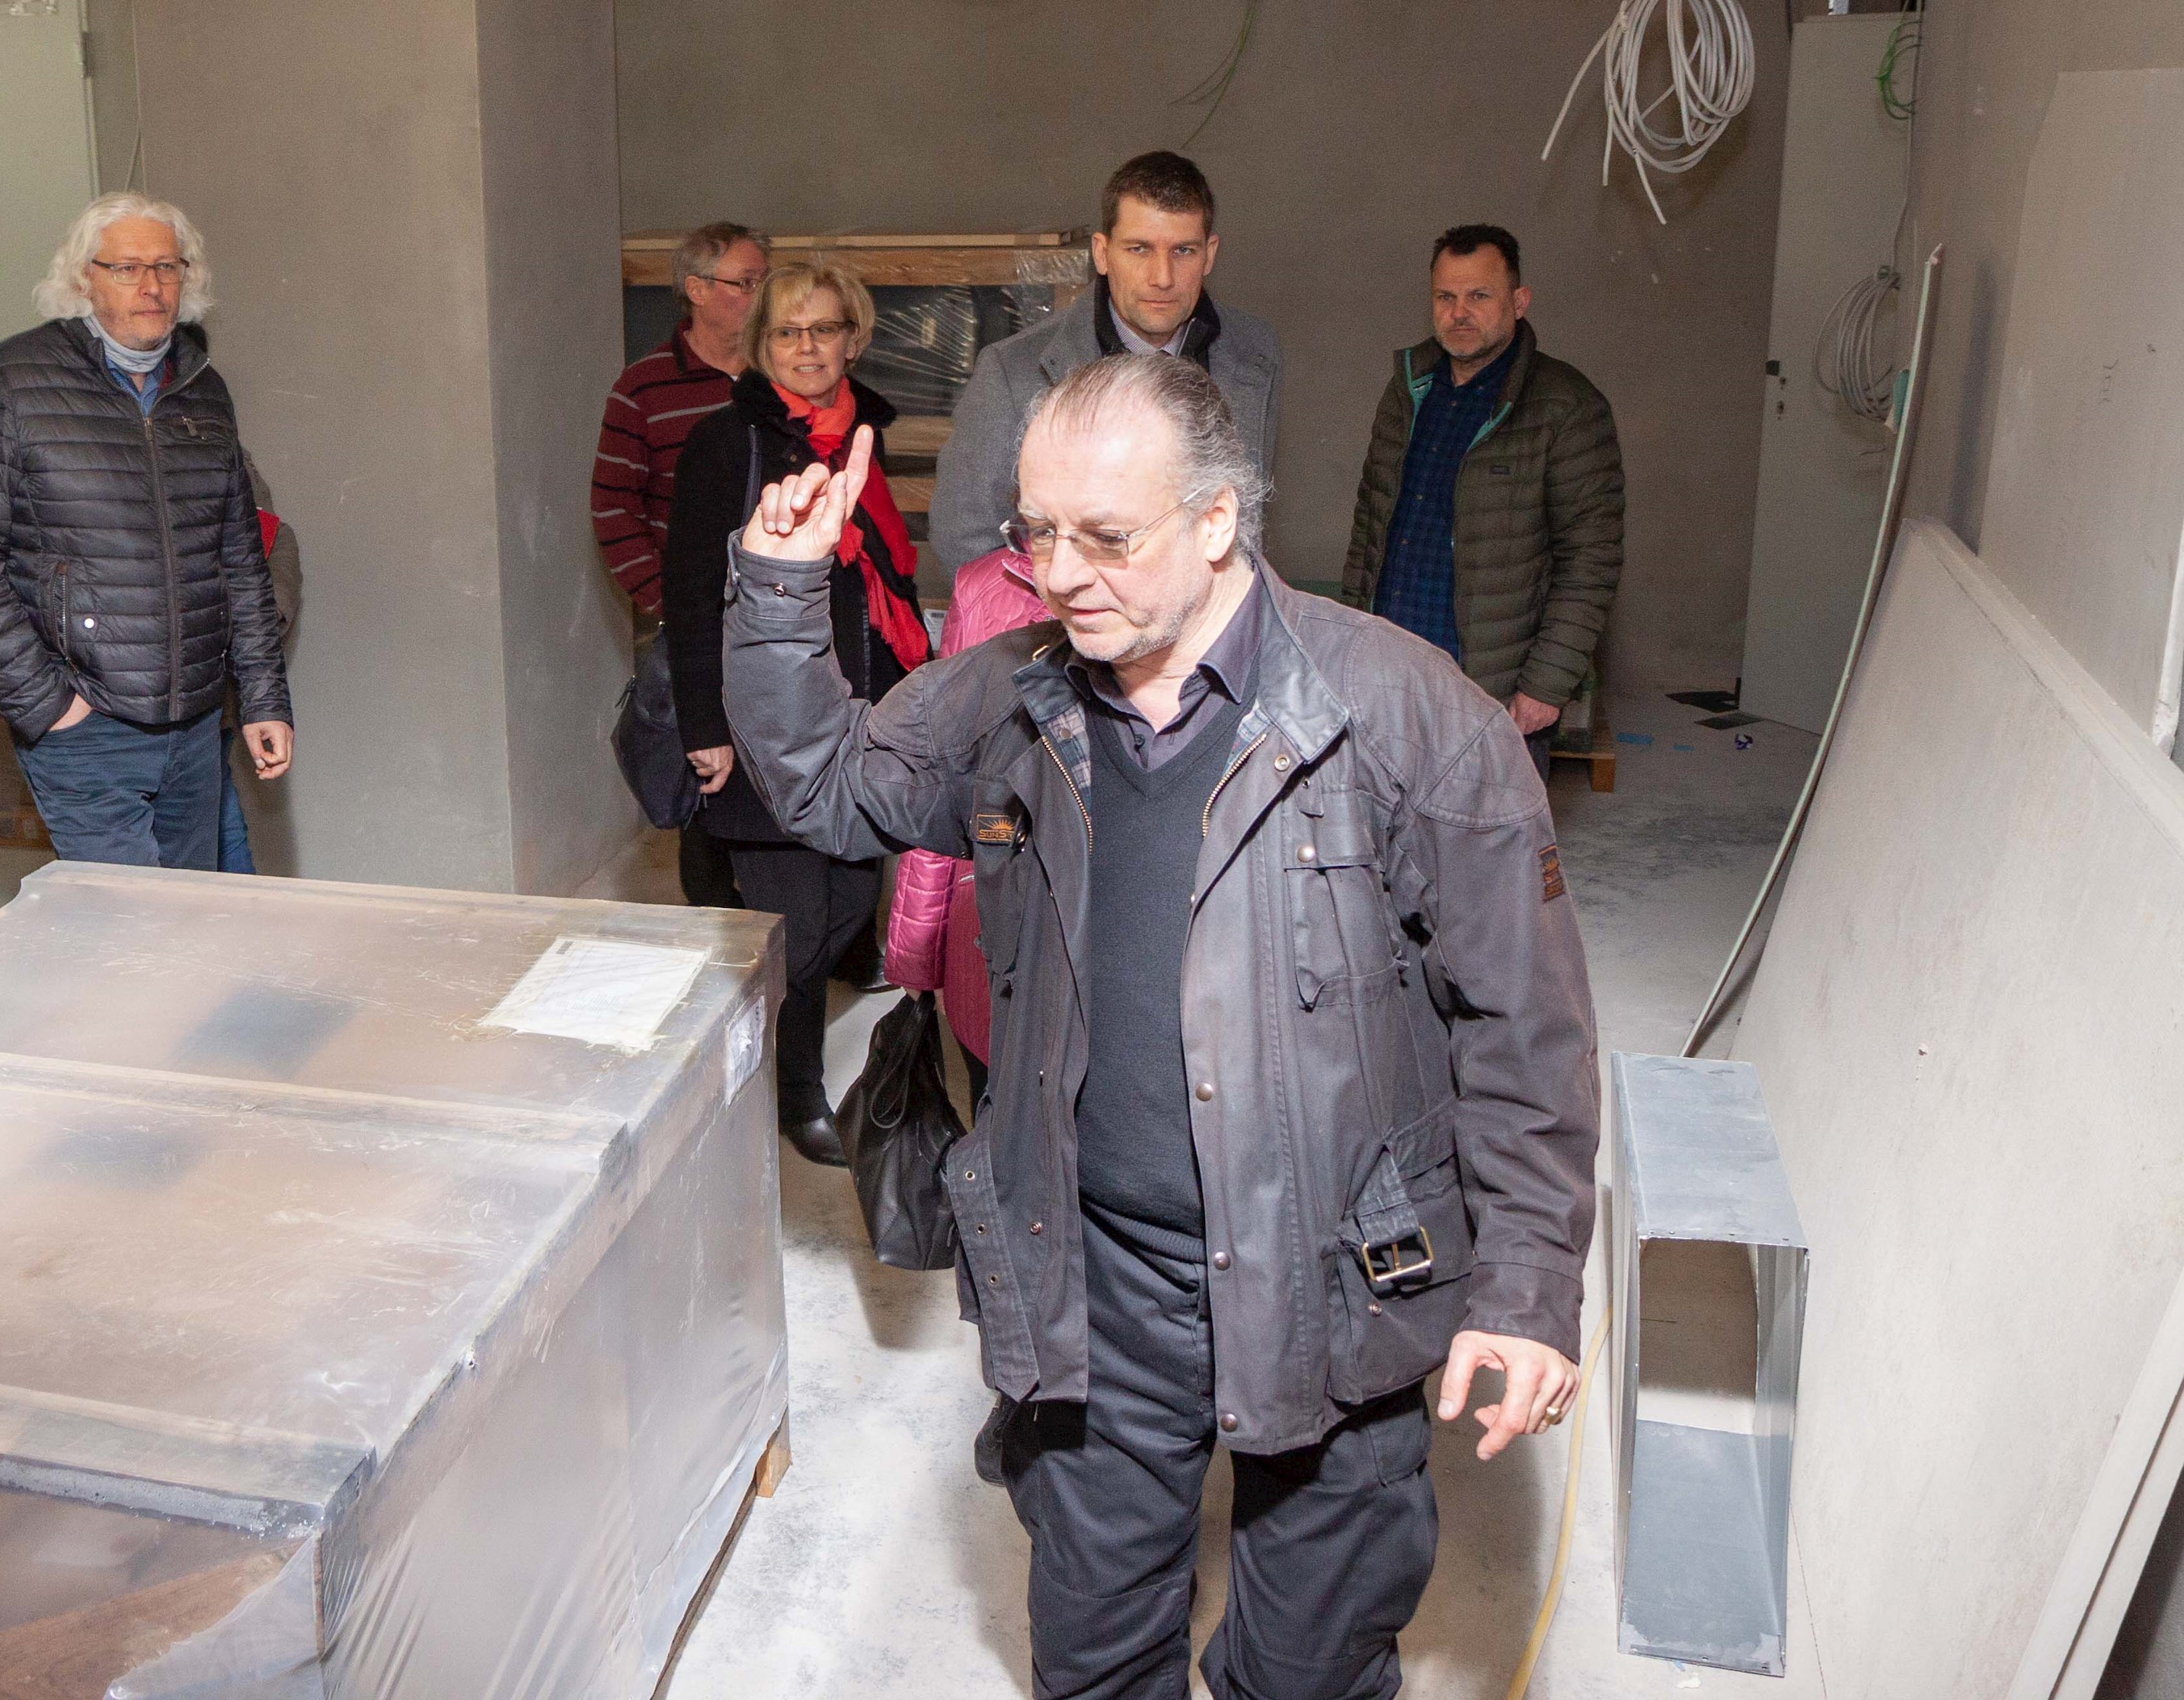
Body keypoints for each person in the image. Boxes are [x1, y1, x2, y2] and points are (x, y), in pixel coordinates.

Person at [722, 351, 1597, 1699]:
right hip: (1095, 1274)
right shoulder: (1013, 695)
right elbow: (835, 790)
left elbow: (1522, 1028)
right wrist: (781, 593)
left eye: (1105, 537)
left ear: (1215, 522)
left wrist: (1529, 1288)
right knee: (1089, 1648)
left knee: (1306, 1667)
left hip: (1336, 1276)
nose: (1058, 573)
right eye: (1036, 533)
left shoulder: (1412, 718)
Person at [0, 193, 292, 871]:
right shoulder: (7, 382)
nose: (150, 286)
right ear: (82, 278)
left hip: (196, 725)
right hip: (86, 724)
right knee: (126, 938)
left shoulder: (205, 391)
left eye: (167, 266)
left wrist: (265, 698)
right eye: (125, 268)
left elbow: (239, 558)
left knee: (193, 927)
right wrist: (47, 703)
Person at [664, 263, 927, 1168]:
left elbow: (882, 577)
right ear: (759, 345)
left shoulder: (860, 434)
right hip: (761, 725)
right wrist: (704, 723)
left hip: (856, 716)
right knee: (797, 926)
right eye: (788, 332)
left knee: (852, 896)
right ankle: (795, 1093)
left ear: (852, 337)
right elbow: (690, 596)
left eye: (823, 329)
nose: (807, 347)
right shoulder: (724, 443)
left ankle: (776, 1059)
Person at [1340, 225, 1624, 760]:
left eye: (1479, 295)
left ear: (1519, 301)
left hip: (1491, 693)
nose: (1459, 312)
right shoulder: (1409, 389)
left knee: (1488, 843)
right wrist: (1349, 649)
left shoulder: (1566, 407)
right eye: (1445, 297)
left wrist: (1546, 684)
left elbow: (1591, 560)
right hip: (1388, 678)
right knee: (1378, 839)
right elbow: (1370, 528)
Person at [930, 151, 1281, 577]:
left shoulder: (1255, 352)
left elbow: (1243, 529)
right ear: (1102, 253)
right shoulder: (1012, 371)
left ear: (1209, 255)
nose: (1162, 277)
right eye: (1139, 249)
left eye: (1183, 251)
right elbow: (965, 541)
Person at [597, 221, 770, 910]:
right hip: (699, 624)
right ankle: (716, 924)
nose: (761, 295)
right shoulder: (643, 388)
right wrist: (671, 603)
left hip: (786, 617)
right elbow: (614, 509)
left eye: (765, 279)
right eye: (746, 281)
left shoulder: (783, 376)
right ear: (697, 290)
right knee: (705, 773)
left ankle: (831, 934)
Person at [878, 542, 1053, 1116]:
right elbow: (944, 774)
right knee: (992, 1124)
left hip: (1103, 951)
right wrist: (916, 952)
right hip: (988, 926)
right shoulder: (985, 587)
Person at [217, 455, 302, 874]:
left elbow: (267, 621)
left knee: (223, 832)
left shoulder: (275, 539)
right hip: (119, 708)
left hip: (208, 708)